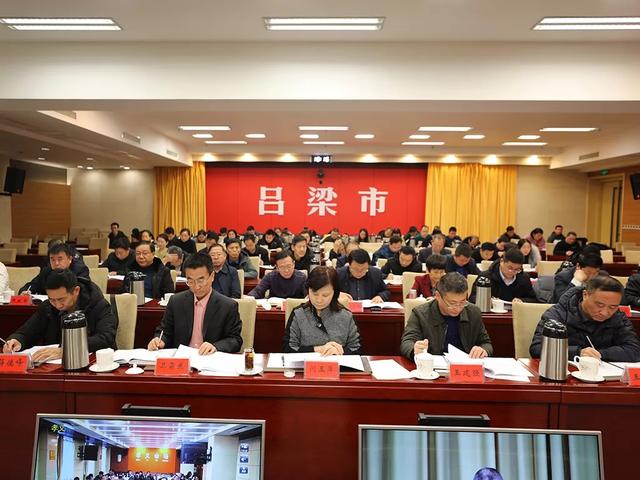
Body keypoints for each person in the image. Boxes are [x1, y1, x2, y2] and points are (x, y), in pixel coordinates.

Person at [3, 270, 117, 362]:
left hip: (91, 364)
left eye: (61, 299)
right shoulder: (47, 307)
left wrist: (65, 350)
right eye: (52, 299)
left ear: (76, 291)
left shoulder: (98, 305)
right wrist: (17, 340)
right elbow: (27, 332)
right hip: (52, 368)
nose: (57, 305)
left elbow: (105, 338)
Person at [147, 253, 242, 354]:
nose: (196, 287)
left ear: (212, 276)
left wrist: (215, 346)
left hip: (209, 358)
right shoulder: (176, 301)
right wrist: (160, 340)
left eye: (201, 280)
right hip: (182, 358)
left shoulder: (227, 306)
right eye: (190, 281)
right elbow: (164, 331)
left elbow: (235, 340)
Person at [530, 276, 640, 362]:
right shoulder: (559, 314)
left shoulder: (618, 317)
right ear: (585, 295)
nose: (605, 312)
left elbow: (635, 350)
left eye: (612, 307)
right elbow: (538, 348)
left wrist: (599, 354)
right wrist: (578, 352)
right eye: (600, 305)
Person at [400, 272, 493, 360]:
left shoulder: (473, 312)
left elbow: (486, 343)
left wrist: (483, 350)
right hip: (433, 365)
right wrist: (415, 349)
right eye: (452, 303)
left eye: (462, 302)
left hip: (464, 366)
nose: (458, 308)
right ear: (437, 296)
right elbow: (407, 342)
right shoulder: (420, 314)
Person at [283, 266, 362, 355]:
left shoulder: (346, 316)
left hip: (338, 363)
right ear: (308, 291)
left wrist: (341, 351)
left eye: (325, 295)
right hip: (305, 363)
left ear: (335, 293)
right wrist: (318, 349)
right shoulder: (298, 314)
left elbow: (357, 349)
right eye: (315, 294)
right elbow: (288, 349)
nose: (319, 300)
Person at [469, 248, 538, 303]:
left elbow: (533, 299)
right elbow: (472, 298)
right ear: (502, 261)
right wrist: (488, 301)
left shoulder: (523, 278)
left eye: (517, 269)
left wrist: (521, 300)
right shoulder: (486, 277)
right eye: (510, 268)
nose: (512, 272)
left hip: (515, 313)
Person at [20, 243, 90, 294]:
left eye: (60, 259)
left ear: (70, 259)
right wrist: (24, 292)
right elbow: (30, 286)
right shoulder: (47, 271)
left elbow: (84, 292)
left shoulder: (80, 270)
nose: (56, 263)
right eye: (52, 259)